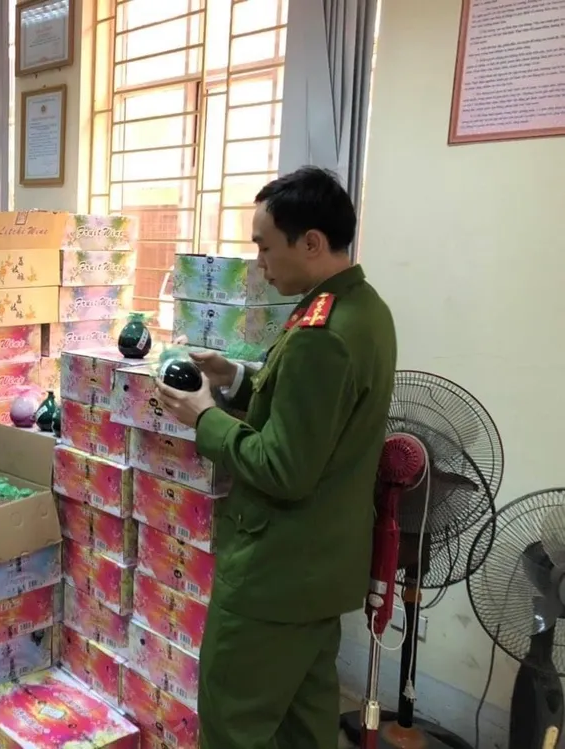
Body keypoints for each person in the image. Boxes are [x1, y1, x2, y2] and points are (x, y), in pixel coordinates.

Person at [157, 167, 397, 749]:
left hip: (275, 573)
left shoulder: (323, 334)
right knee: (303, 724)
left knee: (233, 724)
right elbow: (316, 417)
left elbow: (284, 468)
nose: (260, 263)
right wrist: (237, 378)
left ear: (311, 242)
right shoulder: (364, 310)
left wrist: (204, 418)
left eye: (265, 247)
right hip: (322, 569)